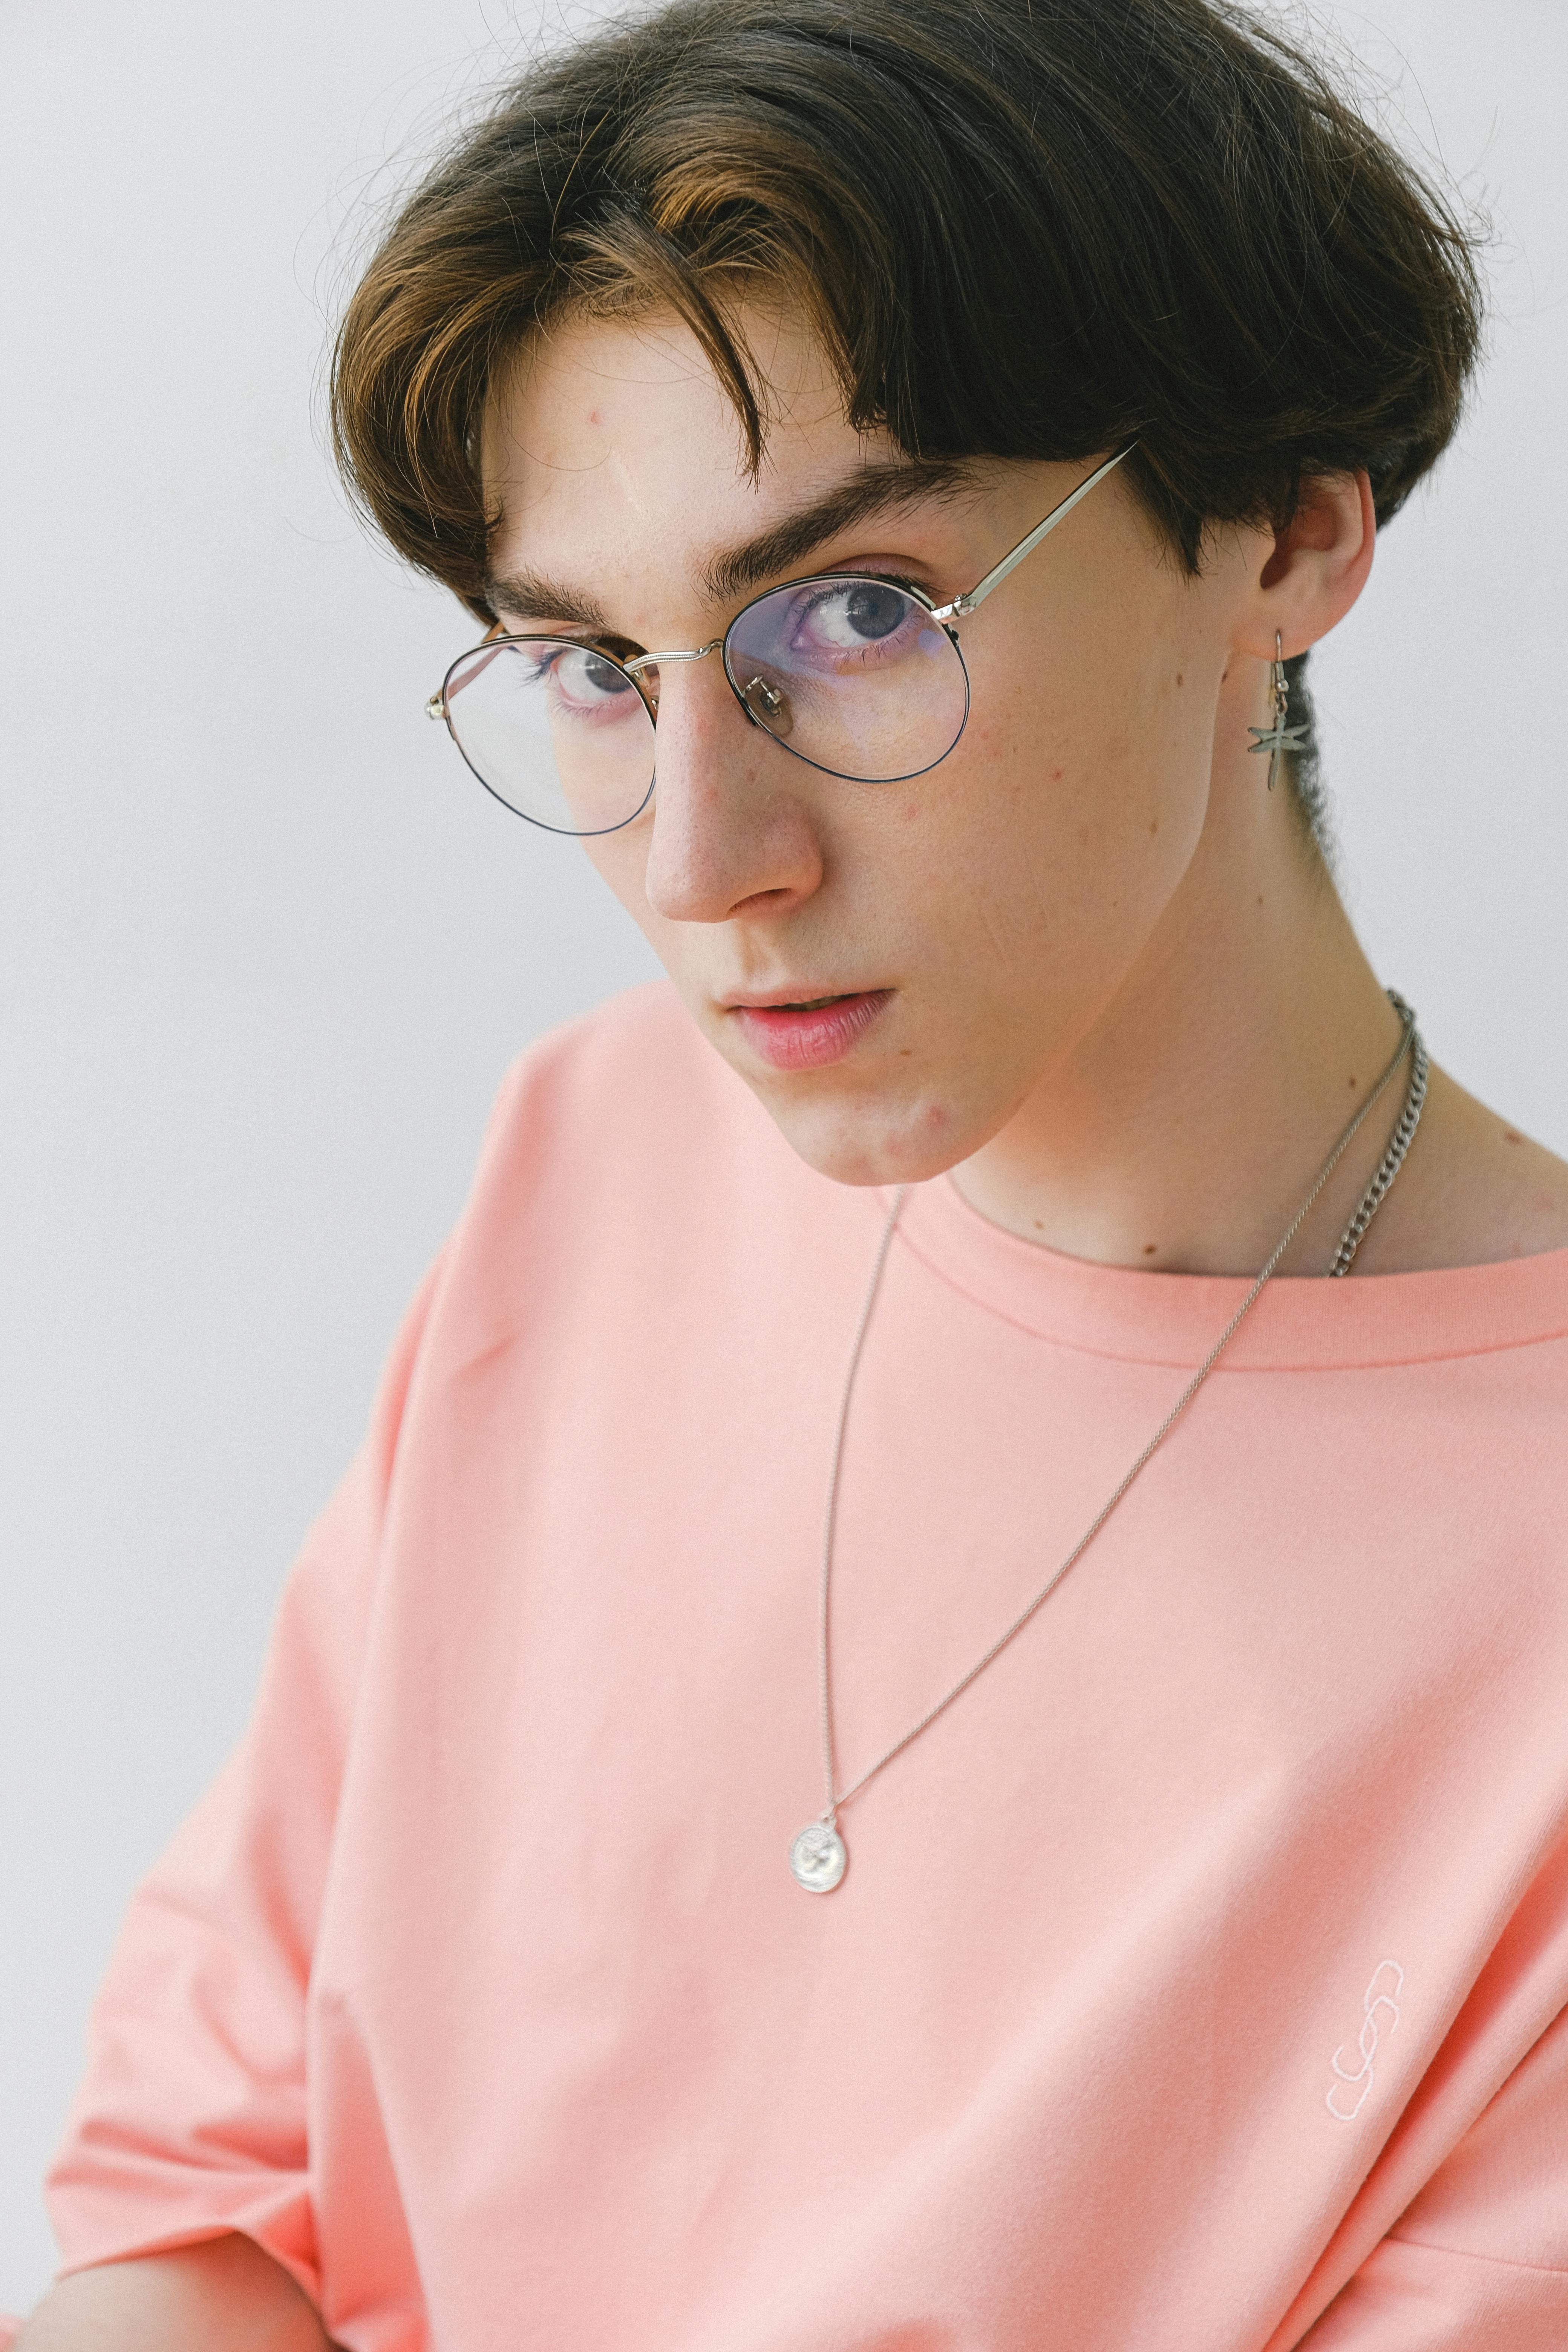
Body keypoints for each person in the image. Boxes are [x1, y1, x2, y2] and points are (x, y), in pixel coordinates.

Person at [14, 0, 1568, 2345]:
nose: (701, 861)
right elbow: (194, 2208)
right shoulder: (599, 1163)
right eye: (596, 667)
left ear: (1288, 530)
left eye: (854, 617)